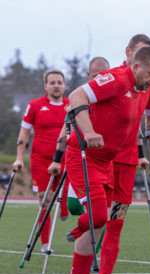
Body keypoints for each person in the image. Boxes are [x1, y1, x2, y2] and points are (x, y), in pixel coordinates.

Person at [63, 46, 150, 274]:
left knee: (102, 221)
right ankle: (77, 229)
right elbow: (76, 96)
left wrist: (148, 155)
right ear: (136, 66)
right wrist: (88, 131)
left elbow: (143, 123)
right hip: (83, 157)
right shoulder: (117, 80)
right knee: (98, 217)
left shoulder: (142, 90)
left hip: (107, 163)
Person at [93, 34, 150, 274]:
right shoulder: (114, 77)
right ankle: (82, 261)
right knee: (95, 216)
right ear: (129, 52)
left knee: (116, 221)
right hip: (101, 158)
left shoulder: (149, 85)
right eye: (140, 53)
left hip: (126, 162)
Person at [12, 70, 69, 253]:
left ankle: (65, 208)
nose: (56, 85)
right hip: (40, 160)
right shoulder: (35, 105)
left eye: (59, 82)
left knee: (69, 195)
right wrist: (19, 158)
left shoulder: (72, 105)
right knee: (44, 199)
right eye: (52, 82)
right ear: (45, 86)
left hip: (66, 158)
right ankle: (45, 243)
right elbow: (24, 133)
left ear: (64, 85)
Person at [48, 57, 111, 219]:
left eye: (103, 75)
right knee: (74, 206)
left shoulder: (113, 99)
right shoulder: (81, 97)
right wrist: (56, 159)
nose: (99, 79)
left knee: (102, 210)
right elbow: (65, 132)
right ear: (88, 74)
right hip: (80, 158)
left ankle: (94, 241)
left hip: (105, 160)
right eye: (95, 75)